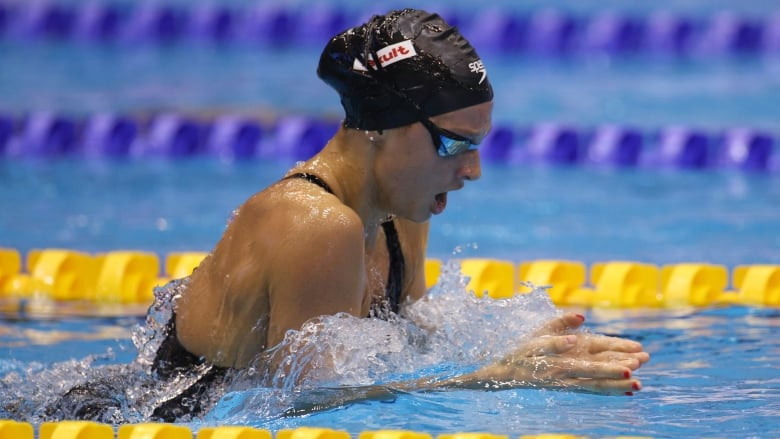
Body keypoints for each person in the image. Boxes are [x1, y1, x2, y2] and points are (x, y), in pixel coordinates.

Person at [55, 8, 649, 422]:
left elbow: (400, 343)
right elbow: (295, 404)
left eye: (477, 147)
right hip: (115, 419)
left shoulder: (401, 215)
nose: (473, 173)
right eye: (454, 144)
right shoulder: (314, 225)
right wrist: (494, 375)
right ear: (382, 127)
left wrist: (525, 347)